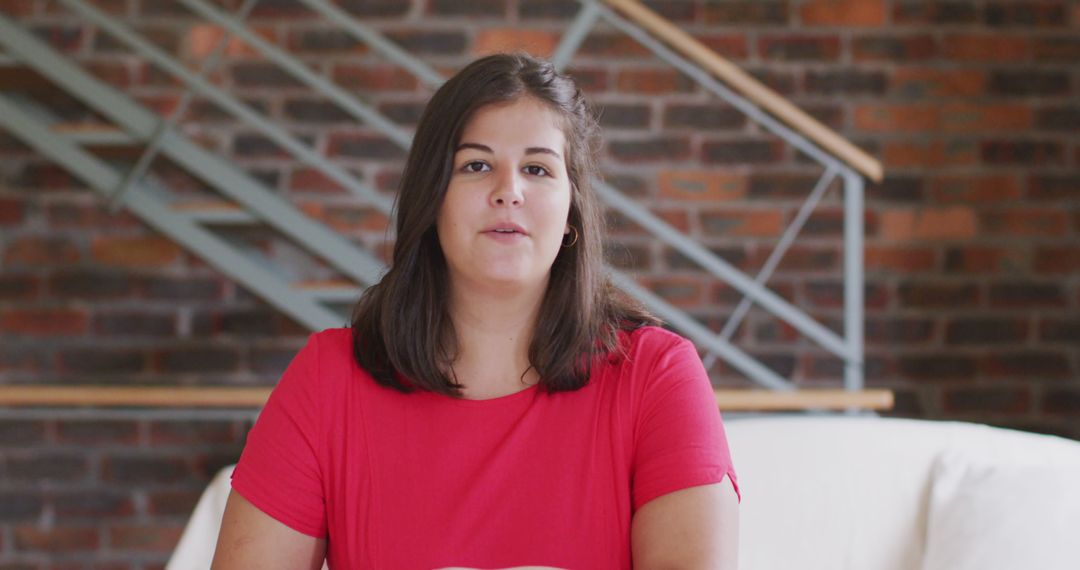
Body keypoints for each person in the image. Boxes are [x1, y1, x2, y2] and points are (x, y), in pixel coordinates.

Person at [211, 52, 739, 569]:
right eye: (476, 165)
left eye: (537, 168)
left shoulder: (656, 377)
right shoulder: (329, 380)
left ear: (571, 209)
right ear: (432, 196)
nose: (508, 191)